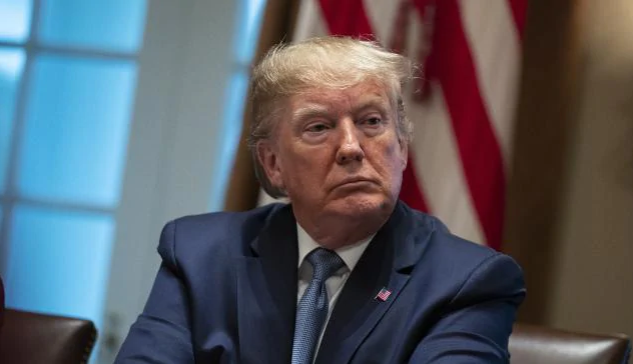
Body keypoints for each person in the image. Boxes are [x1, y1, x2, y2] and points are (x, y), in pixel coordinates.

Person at [115, 36, 525, 364]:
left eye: (371, 121)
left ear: (401, 147)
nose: (350, 147)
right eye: (318, 127)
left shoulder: (466, 282)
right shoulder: (200, 255)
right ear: (273, 163)